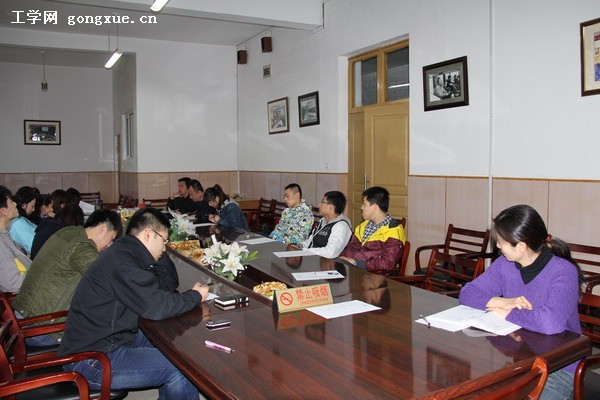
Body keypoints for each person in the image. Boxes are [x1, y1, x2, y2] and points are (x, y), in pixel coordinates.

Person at [57, 208, 210, 398]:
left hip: (111, 338)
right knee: (180, 367)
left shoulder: (126, 252)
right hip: (92, 360)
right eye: (163, 241)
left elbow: (166, 285)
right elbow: (156, 307)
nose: (164, 248)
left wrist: (157, 252)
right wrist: (195, 296)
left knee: (170, 342)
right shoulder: (123, 262)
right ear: (148, 234)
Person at [459, 204, 583, 400]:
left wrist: (508, 313)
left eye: (501, 242)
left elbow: (551, 322)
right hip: (521, 360)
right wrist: (504, 302)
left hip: (559, 367)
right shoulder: (505, 264)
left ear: (522, 246)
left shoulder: (563, 271)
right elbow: (467, 293)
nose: (498, 246)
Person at [13, 208, 122, 345]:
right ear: (103, 229)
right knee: (113, 334)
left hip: (25, 319)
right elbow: (105, 278)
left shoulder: (69, 232)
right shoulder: (81, 246)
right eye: (111, 239)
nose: (109, 245)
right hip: (40, 329)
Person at [339, 186, 406, 275]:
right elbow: (351, 249)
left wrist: (357, 263)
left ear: (374, 207)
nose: (362, 207)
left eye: (364, 204)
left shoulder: (393, 230)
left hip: (376, 277)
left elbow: (387, 263)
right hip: (356, 272)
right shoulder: (362, 226)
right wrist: (341, 258)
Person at [290, 191, 352, 259]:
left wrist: (305, 251)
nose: (319, 205)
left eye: (322, 202)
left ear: (330, 207)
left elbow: (330, 252)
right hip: (313, 258)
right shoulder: (323, 220)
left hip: (327, 262)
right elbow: (311, 240)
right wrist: (300, 246)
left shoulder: (341, 226)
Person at [0, 186, 32, 293]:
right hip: (26, 296)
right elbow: (13, 284)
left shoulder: (6, 235)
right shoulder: (1, 243)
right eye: (11, 202)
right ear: (4, 211)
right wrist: (40, 277)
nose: (15, 204)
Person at [8, 186, 37, 254]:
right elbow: (31, 246)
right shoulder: (18, 224)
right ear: (24, 205)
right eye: (32, 206)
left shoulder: (20, 220)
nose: (33, 209)